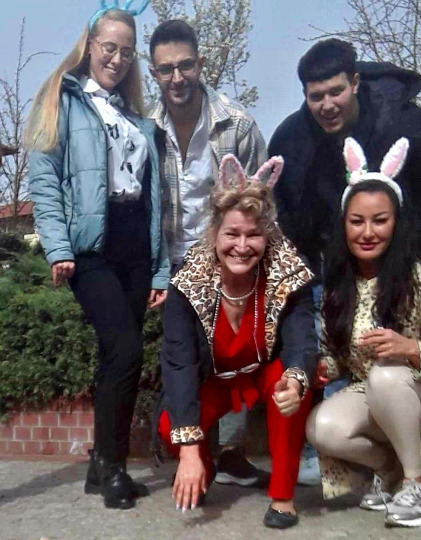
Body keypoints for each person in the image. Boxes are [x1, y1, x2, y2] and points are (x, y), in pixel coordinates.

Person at [269, 37, 421, 485]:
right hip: (322, 265)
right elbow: (282, 204)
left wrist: (403, 241)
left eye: (336, 91)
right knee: (332, 350)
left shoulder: (402, 120)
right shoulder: (290, 136)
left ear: (355, 82)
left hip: (388, 266)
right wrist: (301, 256)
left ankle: (410, 469)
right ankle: (346, 464)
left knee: (385, 362)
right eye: (316, 96)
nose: (327, 105)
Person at [25, 2, 169, 510]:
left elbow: (155, 201)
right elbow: (44, 180)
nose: (118, 59)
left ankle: (102, 467)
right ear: (90, 47)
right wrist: (58, 247)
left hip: (135, 244)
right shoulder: (61, 100)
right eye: (110, 47)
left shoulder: (136, 118)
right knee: (126, 350)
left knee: (116, 357)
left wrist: (159, 268)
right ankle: (111, 465)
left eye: (127, 52)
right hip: (89, 248)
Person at [306, 137, 421, 528]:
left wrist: (410, 348)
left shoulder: (420, 278)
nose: (367, 232)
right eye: (357, 221)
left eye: (380, 220)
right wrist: (320, 368)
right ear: (344, 225)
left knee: (385, 376)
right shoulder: (339, 285)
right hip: (374, 392)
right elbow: (337, 356)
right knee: (322, 426)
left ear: (396, 223)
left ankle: (420, 488)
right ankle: (389, 472)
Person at [156, 154, 316, 528]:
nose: (242, 246)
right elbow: (178, 363)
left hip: (263, 372)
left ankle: (282, 497)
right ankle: (202, 469)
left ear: (267, 236)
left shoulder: (288, 273)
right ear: (215, 233)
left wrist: (296, 378)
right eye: (232, 234)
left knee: (290, 386)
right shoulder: (186, 283)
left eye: (253, 235)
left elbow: (302, 340)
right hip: (214, 380)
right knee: (169, 426)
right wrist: (189, 451)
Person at [148, 19, 268, 487]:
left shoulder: (237, 123)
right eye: (165, 69)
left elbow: (262, 200)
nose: (176, 78)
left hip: (228, 256)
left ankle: (232, 453)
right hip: (172, 261)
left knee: (234, 351)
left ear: (200, 63)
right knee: (185, 357)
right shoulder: (145, 127)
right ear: (154, 73)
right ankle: (194, 451)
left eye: (185, 66)